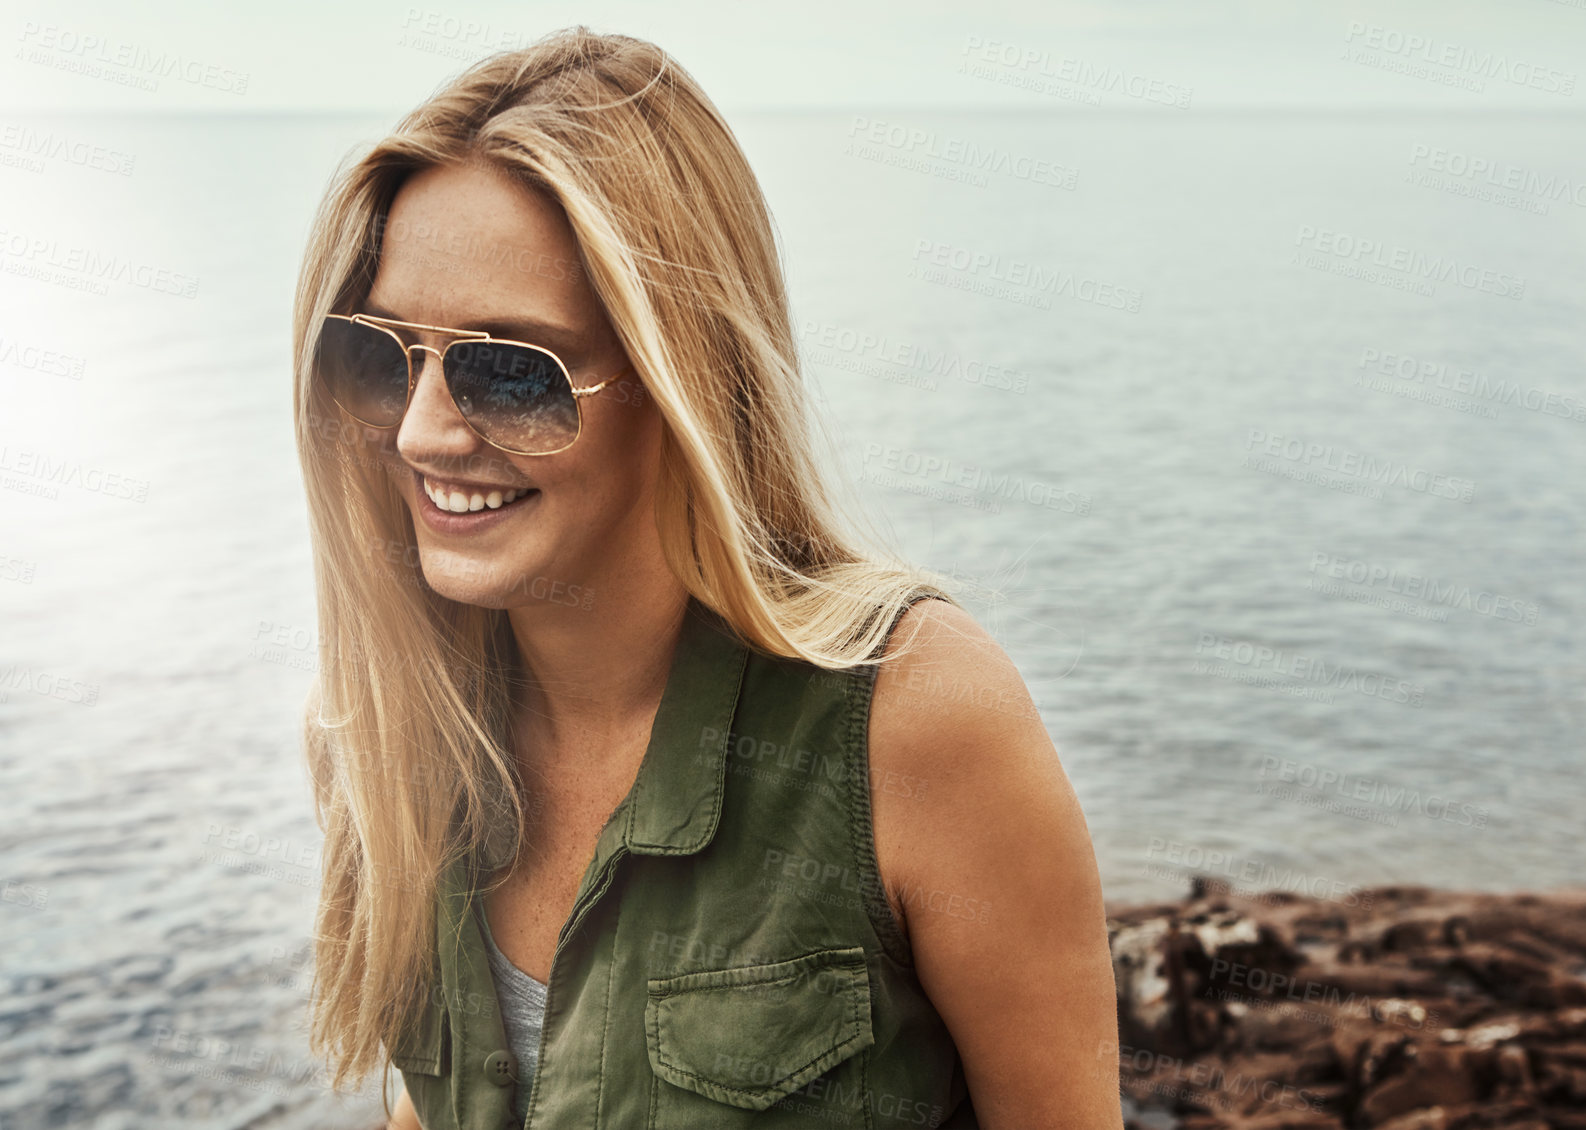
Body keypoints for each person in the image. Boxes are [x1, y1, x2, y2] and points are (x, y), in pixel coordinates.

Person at [292, 26, 1119, 1129]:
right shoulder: (398, 728)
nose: (425, 434)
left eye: (507, 370)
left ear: (684, 373)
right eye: (382, 354)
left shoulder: (916, 719)